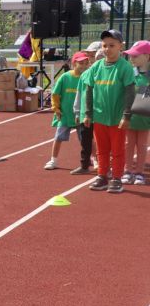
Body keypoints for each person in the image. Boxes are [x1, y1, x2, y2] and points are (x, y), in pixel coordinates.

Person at [83, 29, 136, 193]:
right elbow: (89, 90)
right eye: (105, 45)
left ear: (121, 46)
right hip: (99, 118)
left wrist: (126, 115)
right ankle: (102, 176)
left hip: (117, 118)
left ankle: (117, 178)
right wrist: (88, 113)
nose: (107, 49)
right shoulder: (96, 67)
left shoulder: (125, 67)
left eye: (112, 45)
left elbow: (130, 92)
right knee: (102, 149)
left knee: (118, 150)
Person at [45, 52, 90, 171]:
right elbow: (55, 94)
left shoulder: (87, 77)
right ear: (74, 63)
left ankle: (93, 159)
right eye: (81, 63)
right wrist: (56, 108)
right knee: (58, 138)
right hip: (65, 114)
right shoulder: (65, 77)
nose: (84, 66)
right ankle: (53, 160)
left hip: (81, 115)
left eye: (86, 63)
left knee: (86, 140)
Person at [121, 40, 150, 185]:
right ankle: (127, 171)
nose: (131, 58)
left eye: (135, 56)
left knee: (142, 145)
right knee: (128, 144)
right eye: (130, 56)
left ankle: (139, 173)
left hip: (145, 119)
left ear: (147, 56)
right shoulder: (130, 73)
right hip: (129, 117)